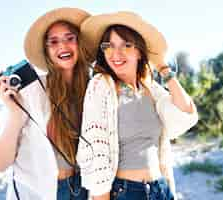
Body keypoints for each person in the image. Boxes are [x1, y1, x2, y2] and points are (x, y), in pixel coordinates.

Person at [76, 11, 198, 200]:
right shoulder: (101, 85)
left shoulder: (150, 89)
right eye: (109, 46)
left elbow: (187, 114)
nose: (116, 53)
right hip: (126, 192)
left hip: (161, 189)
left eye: (126, 45)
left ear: (139, 52)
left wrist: (163, 69)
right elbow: (95, 151)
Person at [0, 7, 91, 200]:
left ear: (80, 43)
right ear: (46, 50)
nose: (62, 46)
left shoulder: (95, 89)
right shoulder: (29, 91)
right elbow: (0, 163)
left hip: (86, 190)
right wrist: (14, 112)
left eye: (70, 38)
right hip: (41, 192)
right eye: (53, 41)